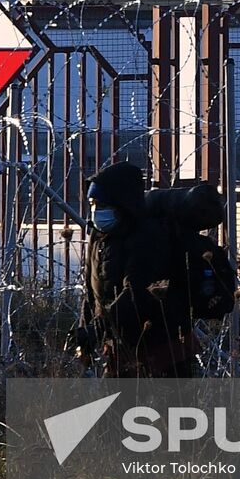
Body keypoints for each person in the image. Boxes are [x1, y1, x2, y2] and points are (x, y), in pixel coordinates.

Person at [73, 161, 196, 378]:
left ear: (122, 205)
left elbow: (136, 292)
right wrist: (85, 330)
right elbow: (92, 291)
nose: (95, 211)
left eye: (102, 205)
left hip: (159, 351)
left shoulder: (148, 236)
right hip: (119, 348)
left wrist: (98, 329)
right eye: (92, 204)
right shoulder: (100, 237)